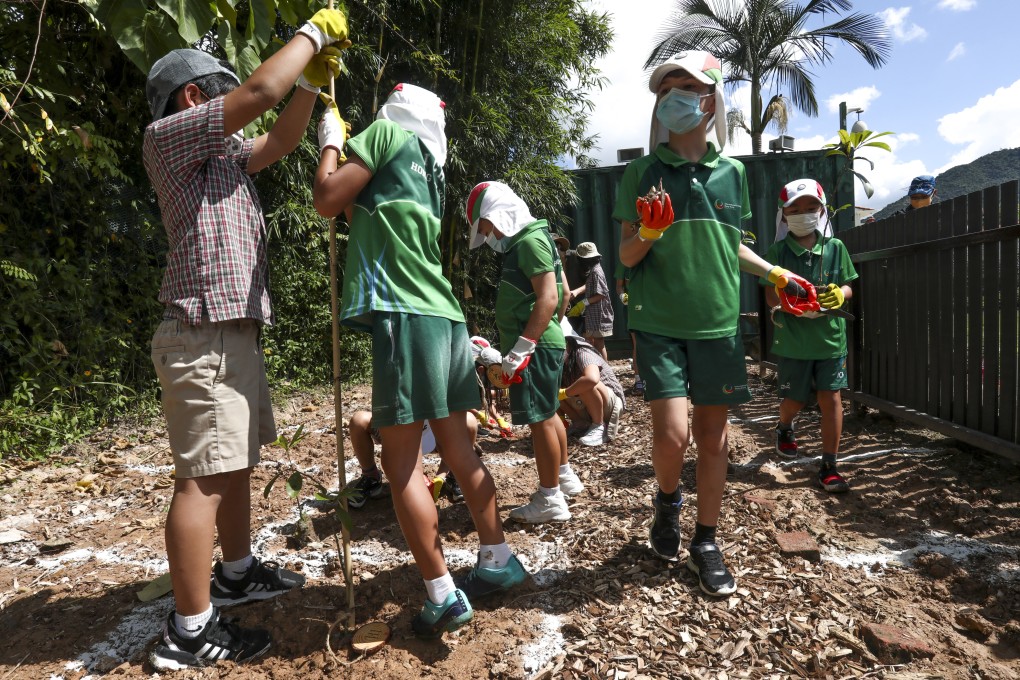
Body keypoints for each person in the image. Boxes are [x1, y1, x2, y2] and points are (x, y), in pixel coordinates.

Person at [141, 10, 349, 669]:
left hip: (231, 329)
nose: (236, 104)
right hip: (199, 331)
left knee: (231, 465)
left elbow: (279, 139)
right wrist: (313, 34)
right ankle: (190, 630)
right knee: (201, 478)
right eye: (221, 92)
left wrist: (313, 84)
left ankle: (233, 574)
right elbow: (261, 94)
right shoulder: (168, 137)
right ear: (195, 98)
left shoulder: (221, 154)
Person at [312, 84, 526, 639]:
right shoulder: (428, 166)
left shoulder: (384, 136)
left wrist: (331, 143)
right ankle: (498, 559)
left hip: (404, 316)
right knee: (458, 447)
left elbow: (328, 197)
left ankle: (441, 593)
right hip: (444, 317)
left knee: (400, 464)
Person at [613, 51, 813, 597]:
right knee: (673, 434)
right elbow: (627, 256)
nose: (676, 96)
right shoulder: (641, 172)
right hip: (658, 323)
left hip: (718, 324)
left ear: (711, 100)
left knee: (714, 438)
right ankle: (667, 499)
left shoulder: (734, 174)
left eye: (688, 87)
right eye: (667, 89)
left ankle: (706, 539)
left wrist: (777, 274)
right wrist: (650, 233)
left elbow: (734, 246)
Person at [467, 181, 585, 523]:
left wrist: (523, 347)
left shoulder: (529, 241)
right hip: (542, 344)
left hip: (533, 347)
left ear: (498, 215)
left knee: (541, 419)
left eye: (485, 227)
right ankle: (563, 477)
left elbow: (549, 298)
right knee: (549, 413)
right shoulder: (537, 238)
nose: (487, 236)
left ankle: (549, 498)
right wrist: (546, 335)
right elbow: (562, 297)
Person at [763, 179, 857, 494]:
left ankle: (829, 465)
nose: (804, 214)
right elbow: (771, 298)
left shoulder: (835, 248)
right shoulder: (777, 252)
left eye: (810, 208)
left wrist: (839, 295)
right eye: (795, 209)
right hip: (793, 341)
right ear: (784, 215)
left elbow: (847, 285)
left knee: (831, 399)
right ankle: (785, 426)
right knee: (794, 399)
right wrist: (788, 301)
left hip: (831, 339)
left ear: (821, 210)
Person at [347, 410, 479, 506]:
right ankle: (371, 477)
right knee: (359, 420)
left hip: (436, 433)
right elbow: (392, 452)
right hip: (396, 432)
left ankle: (453, 475)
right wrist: (414, 476)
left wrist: (441, 476)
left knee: (469, 421)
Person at [557, 318, 625, 446]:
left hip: (608, 404)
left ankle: (599, 426)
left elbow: (592, 379)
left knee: (585, 383)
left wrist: (565, 393)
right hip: (582, 404)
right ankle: (579, 423)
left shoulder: (583, 352)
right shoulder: (559, 361)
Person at [568, 242, 614, 361]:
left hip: (599, 313)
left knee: (599, 343)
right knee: (590, 340)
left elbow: (602, 294)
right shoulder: (593, 270)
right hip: (593, 314)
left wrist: (584, 303)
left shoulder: (596, 272)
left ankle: (605, 369)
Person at [469, 336, 513, 438]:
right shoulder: (463, 373)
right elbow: (457, 401)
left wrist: (499, 420)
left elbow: (485, 398)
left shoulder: (481, 371)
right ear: (481, 369)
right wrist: (479, 415)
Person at [614, 262, 644, 394]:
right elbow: (619, 287)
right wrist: (623, 297)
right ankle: (639, 382)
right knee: (638, 344)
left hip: (653, 308)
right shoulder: (625, 262)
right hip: (633, 310)